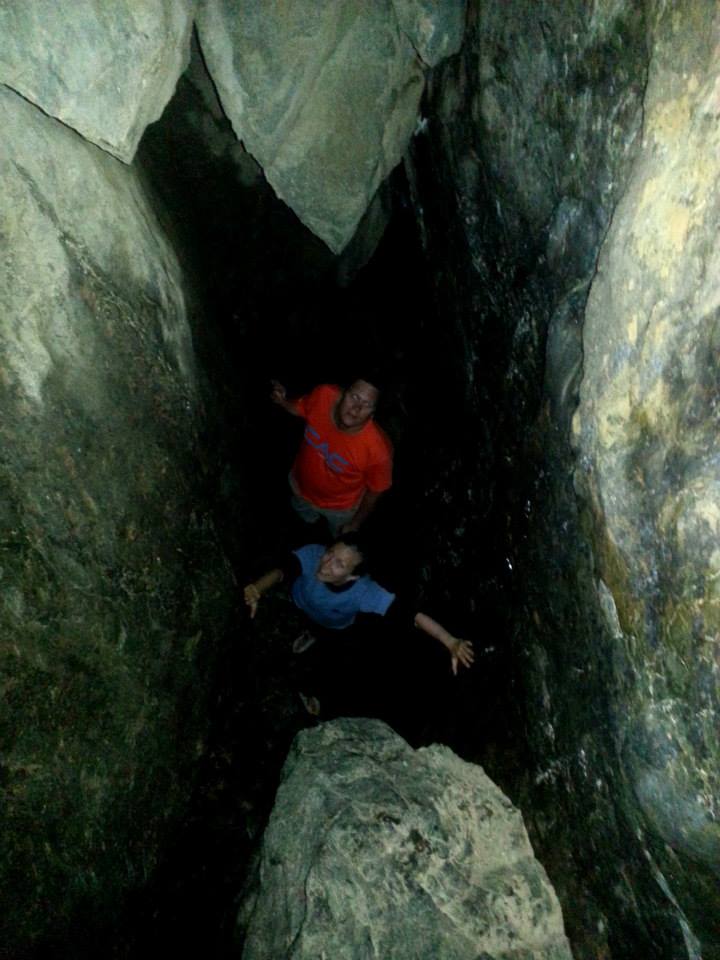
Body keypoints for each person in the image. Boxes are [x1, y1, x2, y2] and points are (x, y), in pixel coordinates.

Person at [243, 534, 474, 683]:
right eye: (330, 553)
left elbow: (410, 614)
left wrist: (449, 641)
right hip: (300, 598)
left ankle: (311, 634)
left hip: (330, 622)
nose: (325, 563)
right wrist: (257, 588)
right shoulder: (314, 553)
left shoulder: (364, 591)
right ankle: (306, 625)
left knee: (322, 630)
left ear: (353, 575)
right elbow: (284, 570)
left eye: (339, 564)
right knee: (302, 610)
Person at [270, 376, 392, 535]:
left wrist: (355, 523)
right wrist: (283, 401)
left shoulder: (378, 451)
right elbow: (302, 408)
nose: (356, 409)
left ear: (372, 413)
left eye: (366, 405)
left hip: (341, 509)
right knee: (303, 523)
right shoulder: (323, 396)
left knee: (336, 537)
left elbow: (375, 493)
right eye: (354, 397)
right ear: (343, 393)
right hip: (300, 488)